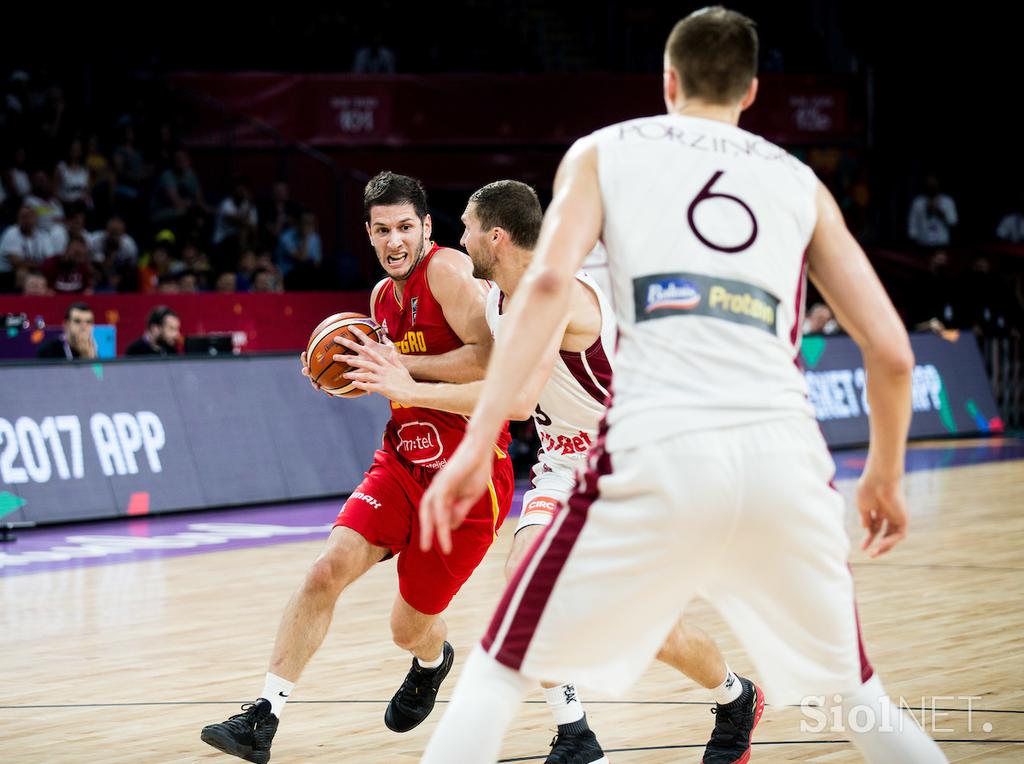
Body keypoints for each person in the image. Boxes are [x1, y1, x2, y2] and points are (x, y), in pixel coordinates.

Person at [419, 8, 948, 764]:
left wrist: (477, 447)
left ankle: (715, 702)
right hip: (784, 462)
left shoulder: (604, 153)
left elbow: (542, 292)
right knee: (862, 703)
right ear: (753, 91)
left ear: (667, 81)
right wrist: (886, 474)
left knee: (496, 673)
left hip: (653, 454)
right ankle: (635, 722)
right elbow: (892, 353)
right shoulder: (799, 182)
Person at [344, 180, 764, 763]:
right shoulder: (494, 295)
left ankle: (736, 698)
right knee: (523, 593)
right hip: (565, 464)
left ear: (496, 236)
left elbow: (513, 401)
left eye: (465, 227)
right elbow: (482, 367)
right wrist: (392, 362)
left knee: (651, 632)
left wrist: (409, 386)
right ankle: (576, 736)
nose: (458, 239)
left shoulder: (556, 294)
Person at [199, 171, 515, 763]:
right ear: (368, 234)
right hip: (401, 459)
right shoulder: (377, 298)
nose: (394, 241)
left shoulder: (446, 272)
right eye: (381, 230)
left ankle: (432, 659)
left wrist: (405, 370)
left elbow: (491, 362)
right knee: (326, 569)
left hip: (467, 480)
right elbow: (383, 370)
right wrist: (337, 371)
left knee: (407, 628)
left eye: (404, 228)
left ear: (425, 227)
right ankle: (262, 717)